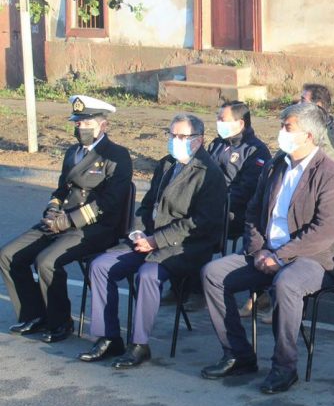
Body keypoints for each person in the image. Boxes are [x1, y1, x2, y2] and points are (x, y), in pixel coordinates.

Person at [200, 103, 334, 394]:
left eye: (288, 127)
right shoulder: (274, 165)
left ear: (308, 135)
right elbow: (253, 212)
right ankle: (238, 354)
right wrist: (258, 252)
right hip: (267, 253)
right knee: (214, 273)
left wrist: (280, 257)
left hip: (313, 259)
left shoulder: (333, 176)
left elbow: (325, 232)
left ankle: (284, 367)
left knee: (286, 284)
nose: (281, 132)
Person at [79, 114, 226, 368]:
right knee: (100, 266)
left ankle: (139, 344)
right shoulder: (167, 164)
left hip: (185, 246)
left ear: (199, 141)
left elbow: (200, 224)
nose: (174, 141)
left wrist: (156, 241)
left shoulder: (209, 174)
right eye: (171, 135)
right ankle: (108, 337)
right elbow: (147, 206)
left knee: (148, 274)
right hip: (151, 238)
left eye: (182, 137)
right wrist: (138, 232)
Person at [0, 95, 132, 343]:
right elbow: (61, 190)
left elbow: (110, 203)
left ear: (102, 125)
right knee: (8, 254)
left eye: (85, 123)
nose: (79, 127)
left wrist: (69, 221)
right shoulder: (73, 152)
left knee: (46, 261)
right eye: (77, 123)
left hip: (95, 227)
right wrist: (52, 210)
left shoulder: (117, 155)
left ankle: (60, 322)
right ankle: (33, 314)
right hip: (61, 221)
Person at [188, 101, 271, 315]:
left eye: (222, 119)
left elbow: (245, 191)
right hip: (212, 204)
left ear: (240, 123)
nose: (217, 123)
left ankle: (201, 290)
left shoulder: (256, 151)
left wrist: (213, 203)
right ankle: (183, 283)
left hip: (237, 212)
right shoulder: (217, 144)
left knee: (202, 224)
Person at [299, 83, 334, 165]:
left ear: (318, 106)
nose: (298, 104)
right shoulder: (307, 129)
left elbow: (332, 173)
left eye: (303, 101)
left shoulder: (332, 139)